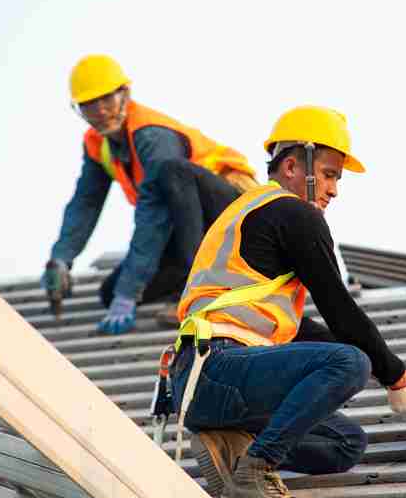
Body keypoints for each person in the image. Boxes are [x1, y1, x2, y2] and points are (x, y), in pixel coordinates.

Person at [168, 105, 406, 498]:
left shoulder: (249, 210)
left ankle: (229, 441)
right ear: (292, 165)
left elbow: (306, 330)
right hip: (218, 366)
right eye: (328, 174)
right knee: (350, 363)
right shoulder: (294, 213)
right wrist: (397, 376)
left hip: (202, 379)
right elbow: (340, 309)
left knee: (345, 442)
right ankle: (254, 473)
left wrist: (385, 373)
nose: (334, 190)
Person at [42, 54, 258, 335]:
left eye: (106, 100)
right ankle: (193, 283)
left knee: (172, 172)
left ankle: (203, 296)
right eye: (89, 105)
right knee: (109, 294)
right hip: (191, 232)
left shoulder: (152, 136)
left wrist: (129, 292)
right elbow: (85, 203)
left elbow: (154, 215)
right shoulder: (98, 143)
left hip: (238, 222)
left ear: (125, 95)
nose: (101, 111)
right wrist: (60, 258)